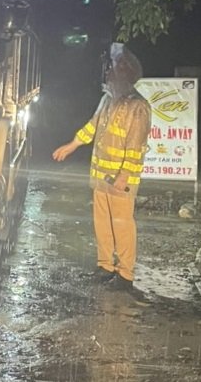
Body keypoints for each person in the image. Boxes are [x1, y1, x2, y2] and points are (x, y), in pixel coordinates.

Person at [52, 42, 151, 296]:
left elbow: (136, 146)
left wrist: (125, 175)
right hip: (100, 176)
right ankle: (106, 266)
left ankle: (125, 274)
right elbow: (92, 127)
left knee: (122, 225)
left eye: (113, 69)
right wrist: (72, 145)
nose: (108, 73)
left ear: (125, 74)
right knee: (102, 223)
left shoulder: (137, 106)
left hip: (120, 180)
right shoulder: (107, 100)